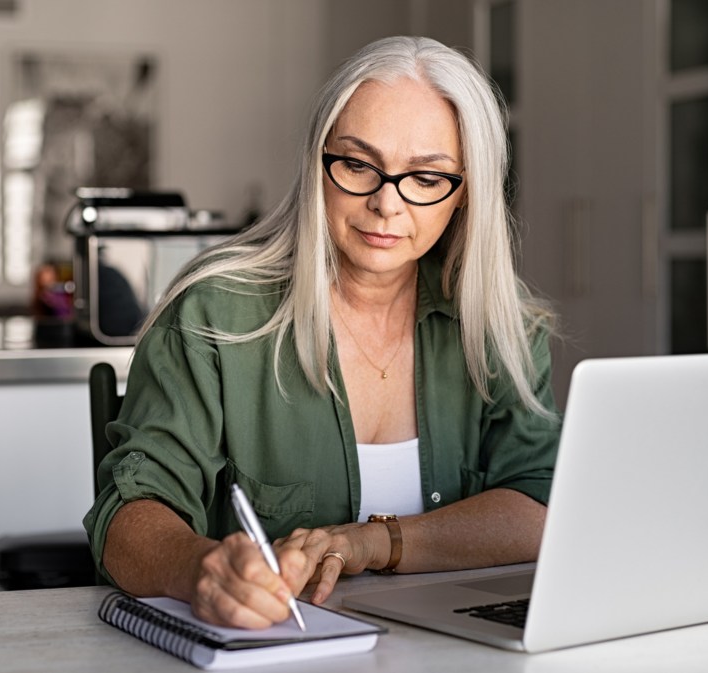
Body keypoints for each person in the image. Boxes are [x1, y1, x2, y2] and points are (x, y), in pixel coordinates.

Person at [83, 35, 560, 630]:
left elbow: (539, 507)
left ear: (465, 194)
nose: (387, 204)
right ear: (318, 163)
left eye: (427, 177)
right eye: (359, 165)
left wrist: (370, 542)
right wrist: (199, 569)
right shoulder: (213, 312)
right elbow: (127, 515)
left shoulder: (500, 322)